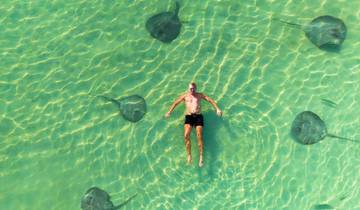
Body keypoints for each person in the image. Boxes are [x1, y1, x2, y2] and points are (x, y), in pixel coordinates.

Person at [165, 82, 222, 167]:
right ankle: (189, 155)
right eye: (190, 88)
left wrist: (217, 109)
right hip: (189, 117)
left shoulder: (200, 95)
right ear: (188, 88)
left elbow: (210, 100)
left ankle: (201, 156)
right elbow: (176, 103)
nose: (192, 90)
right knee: (186, 135)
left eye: (193, 88)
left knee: (199, 135)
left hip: (198, 116)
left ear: (196, 88)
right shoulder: (185, 96)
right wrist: (169, 112)